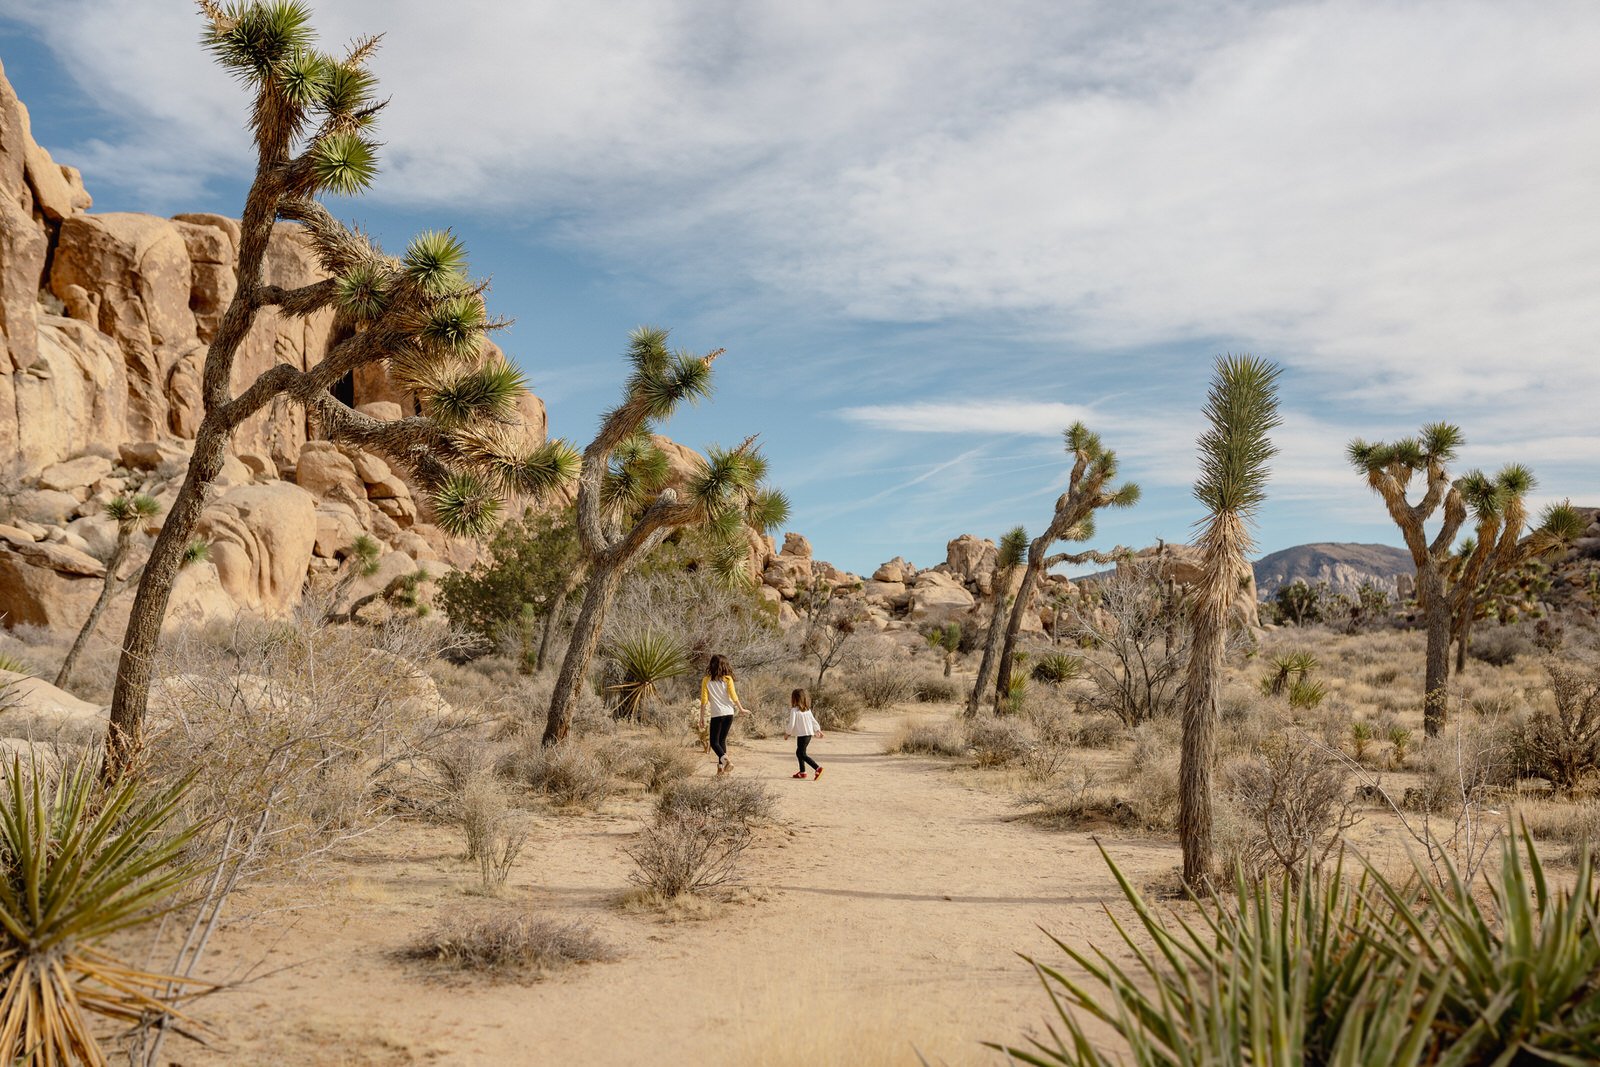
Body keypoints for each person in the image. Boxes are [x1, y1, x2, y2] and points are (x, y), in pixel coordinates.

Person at [698, 654, 749, 774]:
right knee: (721, 741)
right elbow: (733, 696)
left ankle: (727, 762)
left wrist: (701, 717)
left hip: (717, 714)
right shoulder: (728, 679)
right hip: (729, 713)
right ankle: (721, 770)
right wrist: (741, 709)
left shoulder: (706, 680)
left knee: (714, 742)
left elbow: (704, 700)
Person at [784, 688, 824, 780]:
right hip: (808, 735)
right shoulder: (807, 710)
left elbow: (791, 724)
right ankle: (802, 772)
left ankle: (818, 768)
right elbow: (813, 721)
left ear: (794, 699)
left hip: (803, 735)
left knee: (802, 754)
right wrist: (818, 730)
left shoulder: (794, 710)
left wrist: (787, 733)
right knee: (799, 752)